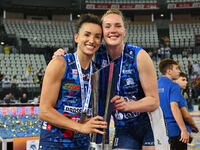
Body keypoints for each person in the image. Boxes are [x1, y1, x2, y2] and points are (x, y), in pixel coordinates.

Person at [53, 9, 169, 150]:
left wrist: (127, 105)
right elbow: (79, 57)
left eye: (118, 26)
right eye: (107, 26)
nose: (113, 30)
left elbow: (154, 101)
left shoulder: (139, 56)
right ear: (102, 33)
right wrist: (63, 55)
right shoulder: (97, 55)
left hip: (149, 123)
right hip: (123, 127)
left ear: (124, 31)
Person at [39, 14, 107, 150]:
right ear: (76, 37)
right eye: (87, 35)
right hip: (54, 142)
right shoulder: (60, 63)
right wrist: (81, 127)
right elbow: (44, 111)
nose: (91, 40)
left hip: (82, 143)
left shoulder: (98, 72)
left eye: (97, 37)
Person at [158, 58, 190, 150]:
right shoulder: (174, 85)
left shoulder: (155, 84)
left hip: (159, 129)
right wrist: (184, 130)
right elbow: (174, 108)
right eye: (177, 68)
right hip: (174, 130)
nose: (179, 71)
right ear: (169, 71)